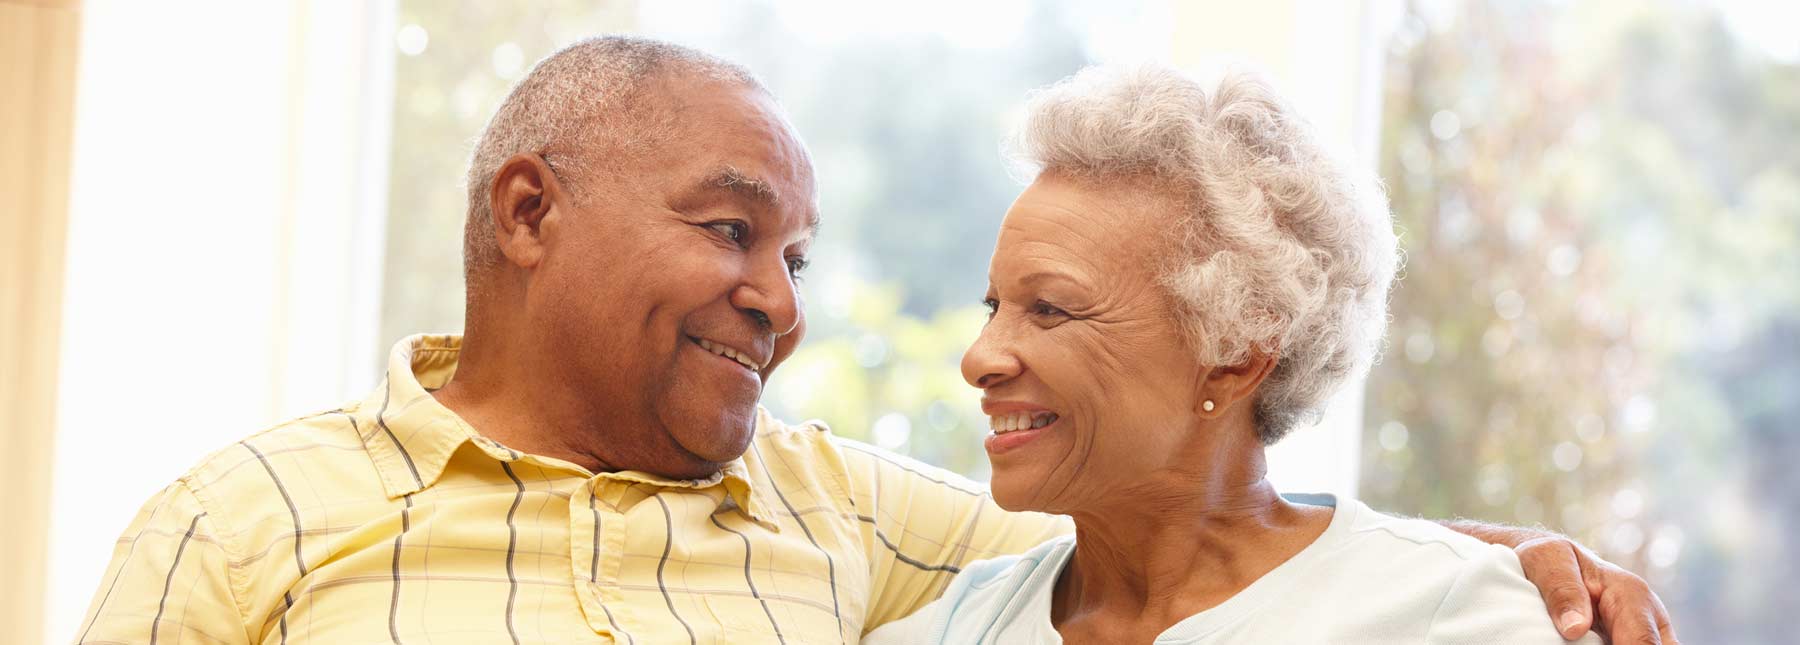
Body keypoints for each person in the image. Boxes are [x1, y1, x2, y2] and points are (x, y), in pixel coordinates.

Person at [73, 37, 1673, 644]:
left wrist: (1507, 566)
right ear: (530, 212)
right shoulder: (246, 527)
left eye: (797, 253)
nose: (783, 297)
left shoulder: (846, 515)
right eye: (729, 229)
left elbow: (1203, 544)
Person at [864, 64, 1671, 644]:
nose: (981, 357)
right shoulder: (956, 625)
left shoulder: (1453, 613)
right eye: (994, 305)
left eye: (1051, 308)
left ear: (1237, 351)